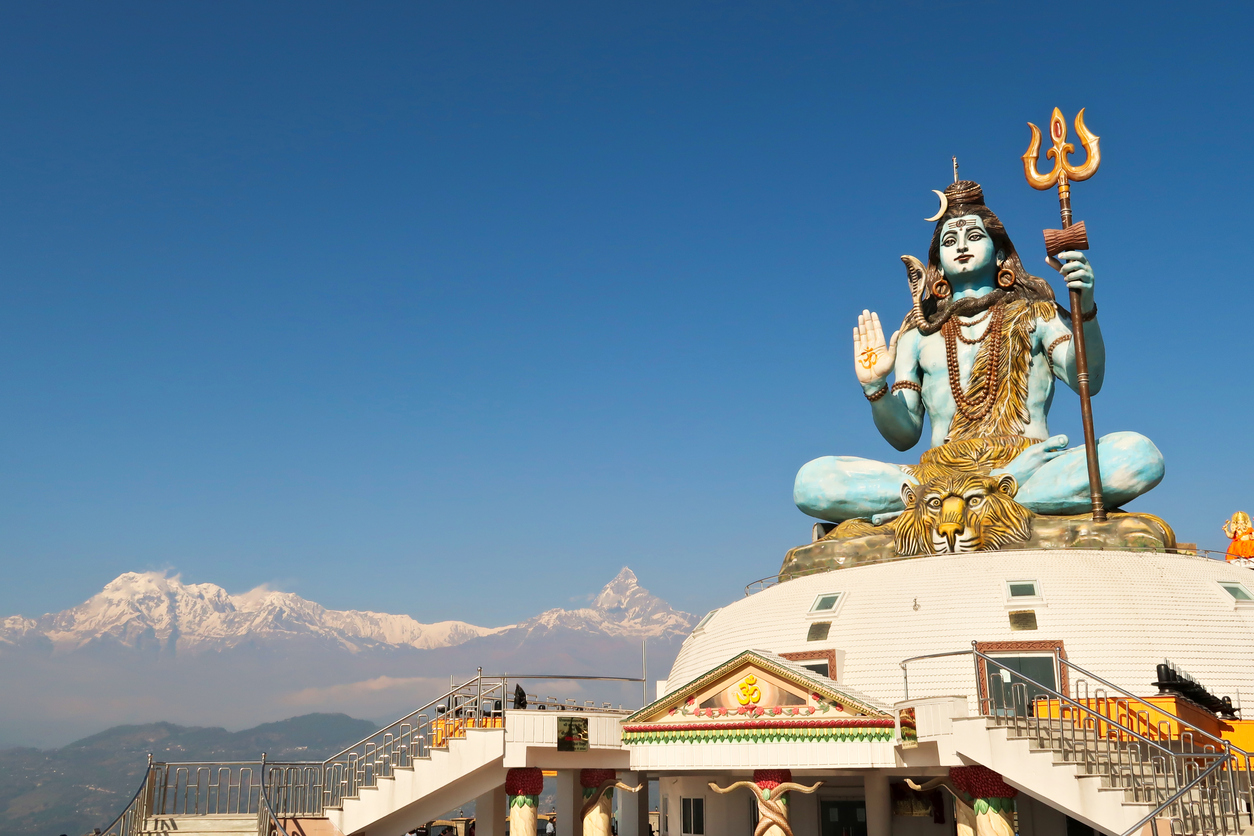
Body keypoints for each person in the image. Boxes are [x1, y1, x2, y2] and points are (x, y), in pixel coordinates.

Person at [793, 180, 1163, 523]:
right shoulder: (918, 335)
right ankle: (986, 499)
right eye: (950, 241)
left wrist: (1086, 310)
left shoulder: (1037, 313)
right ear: (937, 260)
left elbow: (1089, 380)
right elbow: (904, 435)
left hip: (1027, 464)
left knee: (1138, 456)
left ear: (999, 250)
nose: (963, 247)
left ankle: (942, 506)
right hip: (939, 473)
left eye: (974, 236)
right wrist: (875, 387)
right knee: (813, 481)